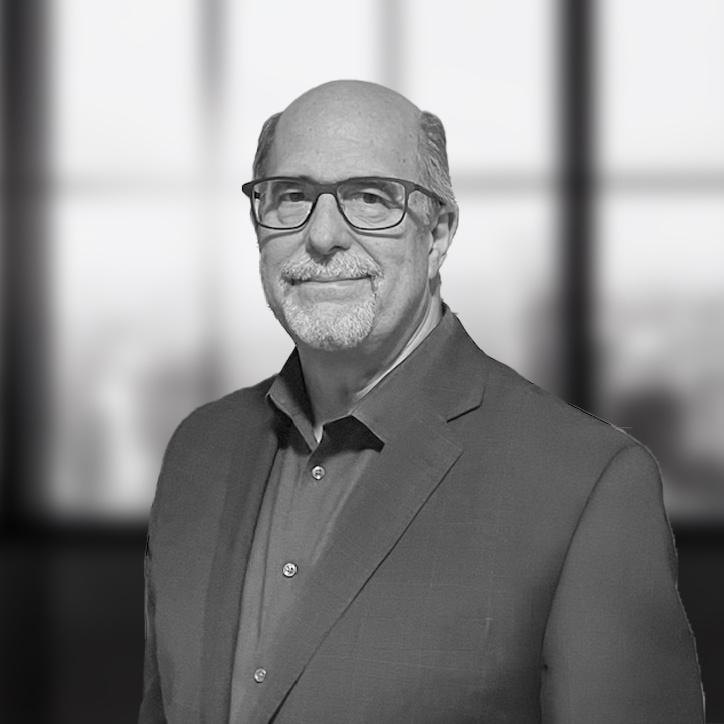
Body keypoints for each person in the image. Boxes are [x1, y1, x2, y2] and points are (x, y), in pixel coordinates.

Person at [139, 80, 704, 724]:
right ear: (258, 223)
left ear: (437, 234)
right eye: (292, 196)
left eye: (370, 199)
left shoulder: (587, 483)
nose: (322, 235)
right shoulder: (198, 451)